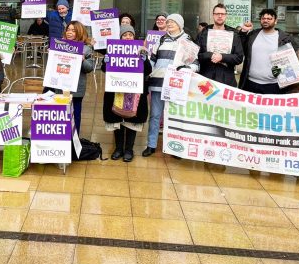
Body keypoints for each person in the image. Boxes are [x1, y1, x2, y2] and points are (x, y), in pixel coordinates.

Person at [144, 13, 198, 157]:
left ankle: (176, 148)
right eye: (168, 22)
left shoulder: (187, 41)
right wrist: (144, 62)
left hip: (176, 85)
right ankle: (151, 145)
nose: (169, 24)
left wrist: (189, 68)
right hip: (157, 82)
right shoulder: (161, 39)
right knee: (155, 115)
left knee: (175, 116)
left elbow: (195, 63)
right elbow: (152, 59)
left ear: (180, 24)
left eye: (172, 22)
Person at [102, 24, 151, 162]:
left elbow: (148, 71)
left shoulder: (141, 50)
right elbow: (105, 69)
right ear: (120, 37)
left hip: (133, 92)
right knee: (117, 119)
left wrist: (144, 59)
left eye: (130, 35)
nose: (128, 37)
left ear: (134, 37)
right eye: (125, 35)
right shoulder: (113, 50)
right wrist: (106, 61)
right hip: (117, 90)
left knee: (132, 120)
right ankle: (118, 148)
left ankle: (129, 149)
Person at [238, 8, 298, 94]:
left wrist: (283, 70)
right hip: (250, 84)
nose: (266, 20)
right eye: (263, 18)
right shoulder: (253, 35)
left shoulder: (285, 38)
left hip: (274, 86)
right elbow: (240, 46)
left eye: (269, 19)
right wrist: (243, 31)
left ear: (275, 21)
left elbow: (296, 57)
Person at [52, 21, 94, 134]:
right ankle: (62, 140)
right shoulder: (60, 45)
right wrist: (52, 56)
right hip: (60, 88)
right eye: (68, 30)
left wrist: (83, 60)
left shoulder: (86, 49)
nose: (70, 32)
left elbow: (89, 68)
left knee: (75, 116)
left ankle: (74, 143)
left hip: (76, 89)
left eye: (73, 30)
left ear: (79, 32)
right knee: (61, 116)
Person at [197, 3, 244, 87]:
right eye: (217, 14)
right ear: (213, 15)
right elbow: (196, 55)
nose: (220, 16)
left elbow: (239, 58)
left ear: (226, 16)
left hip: (226, 79)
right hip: (206, 78)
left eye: (222, 14)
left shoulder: (234, 34)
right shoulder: (203, 33)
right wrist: (209, 55)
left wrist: (222, 57)